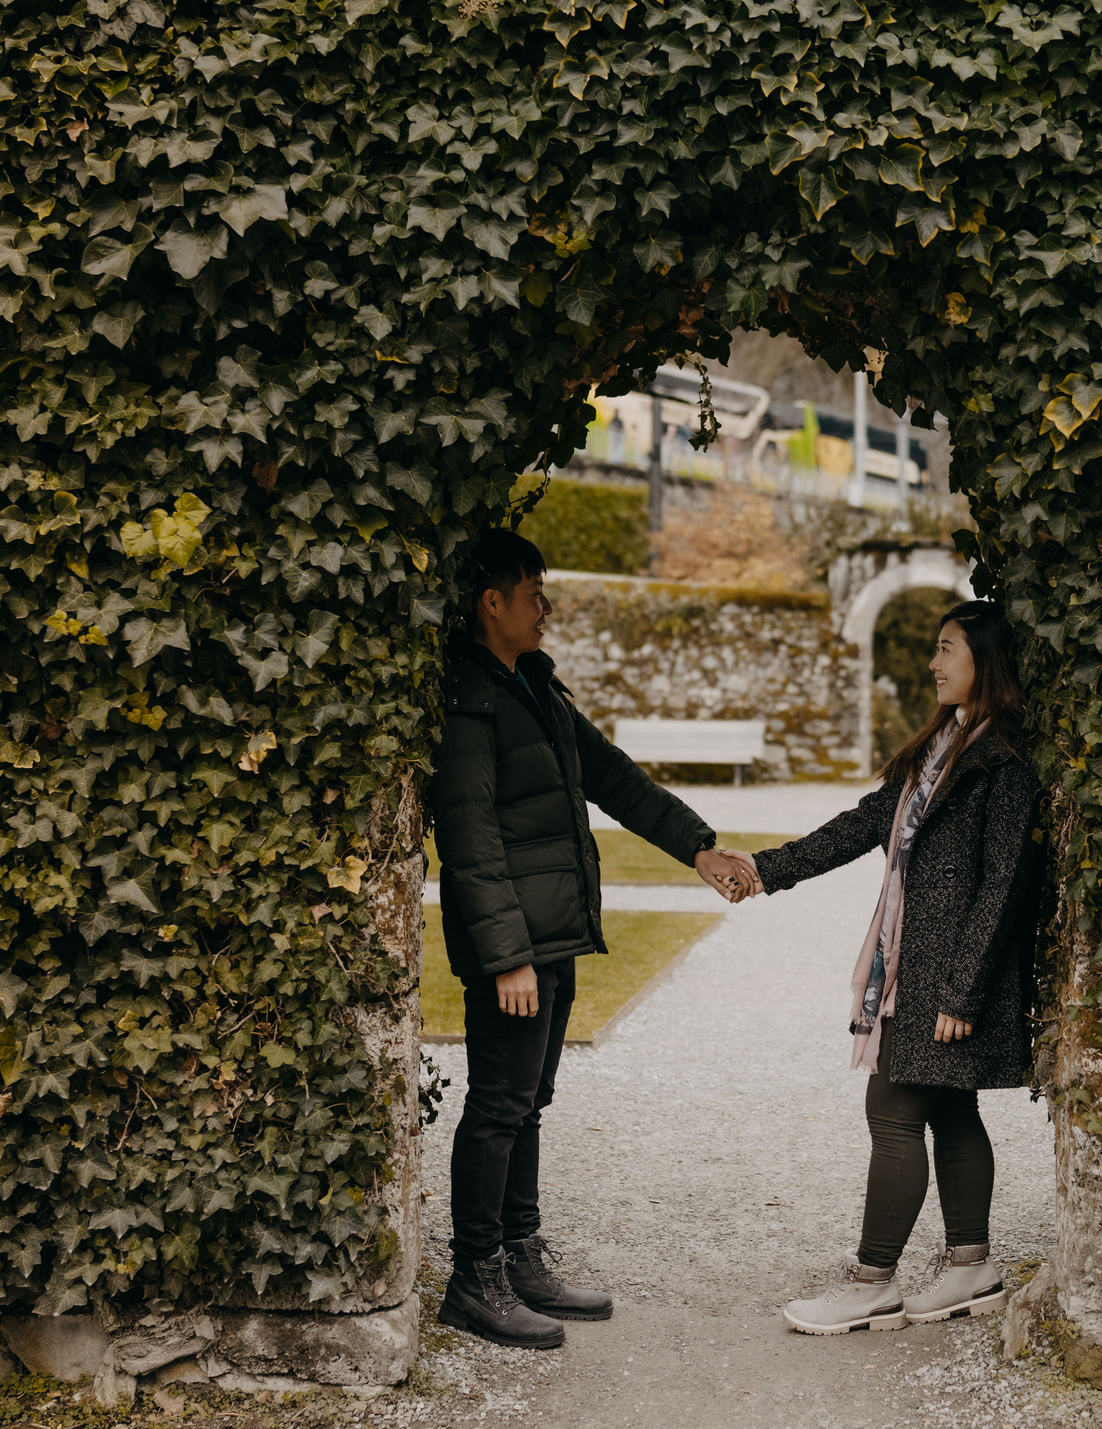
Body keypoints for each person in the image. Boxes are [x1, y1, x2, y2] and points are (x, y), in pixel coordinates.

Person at [430, 527, 761, 1349]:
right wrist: (506, 954)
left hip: (556, 934)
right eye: (534, 593)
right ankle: (474, 1279)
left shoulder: (534, 684)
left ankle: (518, 1253)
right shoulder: (470, 701)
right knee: (499, 1104)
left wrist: (697, 845)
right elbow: (469, 836)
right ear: (492, 602)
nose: (547, 607)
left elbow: (615, 779)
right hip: (516, 946)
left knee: (530, 1100)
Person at [732, 599, 1041, 1334]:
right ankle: (971, 1265)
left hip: (953, 975)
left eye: (946, 649)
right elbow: (860, 825)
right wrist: (763, 869)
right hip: (916, 965)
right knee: (950, 1107)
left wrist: (965, 988)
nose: (932, 663)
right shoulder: (939, 748)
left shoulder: (1002, 763)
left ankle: (873, 1281)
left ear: (984, 661)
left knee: (894, 1110)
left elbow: (1007, 883)